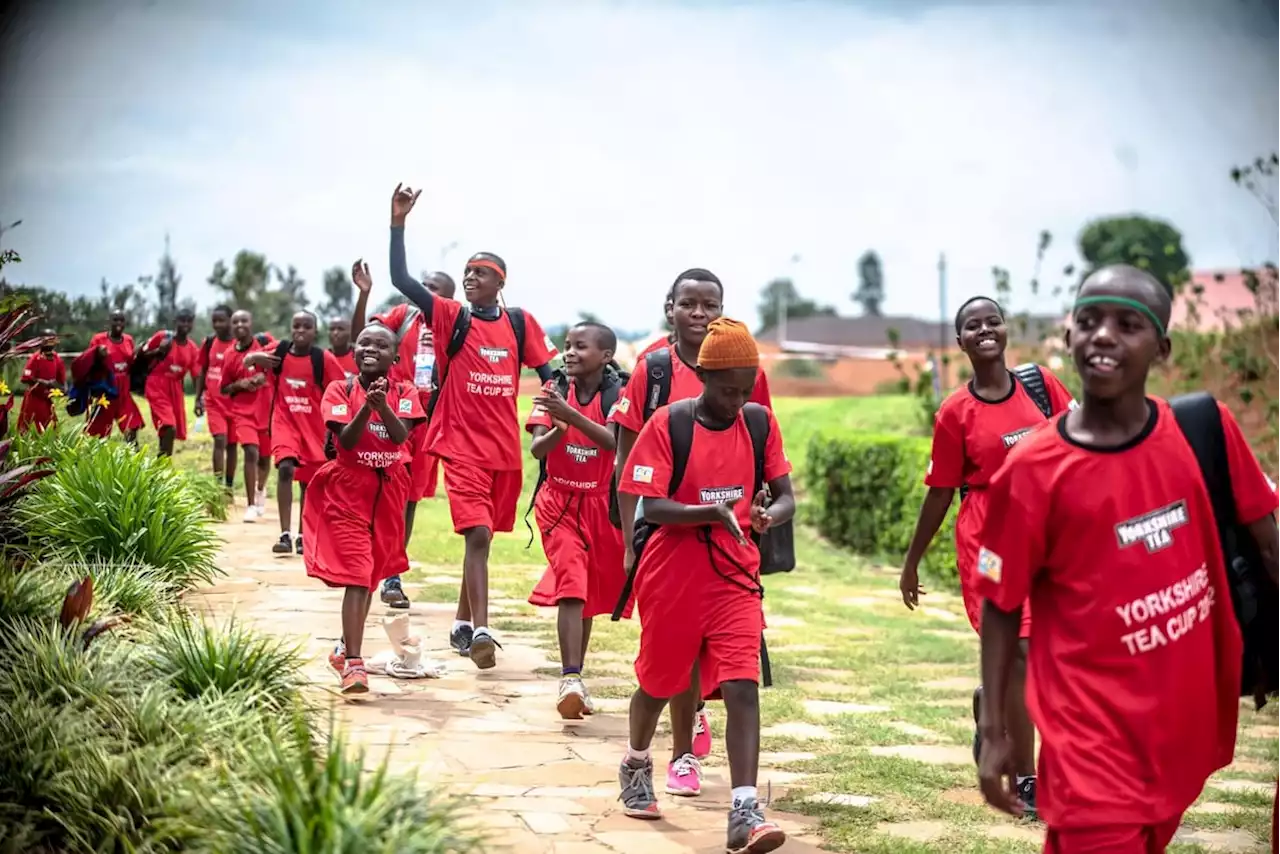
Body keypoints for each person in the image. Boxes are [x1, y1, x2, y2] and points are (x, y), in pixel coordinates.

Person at [975, 265, 1280, 853]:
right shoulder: (1033, 471)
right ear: (1068, 340)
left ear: (1161, 347)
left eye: (1127, 323)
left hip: (1181, 729)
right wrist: (994, 729)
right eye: (1087, 321)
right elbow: (998, 598)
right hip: (1090, 743)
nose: (1103, 335)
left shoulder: (1201, 430)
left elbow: (1268, 545)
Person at [616, 317, 793, 854]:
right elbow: (654, 506)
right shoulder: (670, 424)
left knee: (742, 684)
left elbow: (786, 495)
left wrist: (768, 515)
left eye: (745, 389)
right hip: (672, 572)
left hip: (736, 574)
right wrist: (711, 512)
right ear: (701, 375)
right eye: (726, 389)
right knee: (660, 683)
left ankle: (744, 807)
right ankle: (637, 760)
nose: (736, 401)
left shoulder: (760, 423)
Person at [898, 295, 1076, 816]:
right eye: (972, 326)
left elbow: (1077, 444)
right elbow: (938, 492)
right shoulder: (955, 412)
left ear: (1005, 329)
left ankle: (989, 708)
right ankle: (1027, 778)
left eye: (991, 321)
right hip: (989, 542)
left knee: (1047, 657)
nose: (984, 330)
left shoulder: (1042, 387)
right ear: (961, 342)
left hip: (1047, 535)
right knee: (1019, 651)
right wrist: (911, 562)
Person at [386, 182, 557, 669]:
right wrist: (398, 221)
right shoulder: (449, 316)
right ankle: (483, 629)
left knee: (483, 538)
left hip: (504, 451)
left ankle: (461, 623)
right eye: (466, 272)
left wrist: (553, 419)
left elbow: (551, 380)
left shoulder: (520, 324)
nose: (469, 279)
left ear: (500, 282)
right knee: (477, 535)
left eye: (480, 274)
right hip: (460, 446)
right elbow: (401, 278)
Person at [306, 322, 426, 694]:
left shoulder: (406, 390)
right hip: (349, 489)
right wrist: (366, 409)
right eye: (364, 343)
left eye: (381, 345)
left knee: (371, 575)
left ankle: (343, 647)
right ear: (354, 352)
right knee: (358, 573)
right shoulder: (339, 389)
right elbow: (346, 439)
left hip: (390, 489)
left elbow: (401, 435)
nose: (370, 349)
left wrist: (383, 406)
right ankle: (354, 665)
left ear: (395, 356)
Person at [526, 321, 630, 719]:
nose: (569, 353)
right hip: (557, 503)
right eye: (567, 346)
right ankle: (569, 677)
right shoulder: (552, 391)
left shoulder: (619, 394)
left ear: (605, 356)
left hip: (600, 505)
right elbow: (538, 449)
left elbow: (611, 441)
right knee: (571, 581)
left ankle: (578, 679)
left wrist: (570, 417)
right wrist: (559, 430)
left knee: (585, 594)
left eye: (580, 347)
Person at [352, 257, 459, 610]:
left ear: (448, 298)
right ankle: (366, 562)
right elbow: (361, 339)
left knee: (408, 499)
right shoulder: (404, 316)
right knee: (378, 487)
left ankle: (392, 574)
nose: (424, 294)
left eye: (434, 290)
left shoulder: (456, 325)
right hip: (389, 408)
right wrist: (364, 295)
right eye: (423, 287)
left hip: (428, 422)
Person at [245, 311, 345, 555]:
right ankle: (284, 534)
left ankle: (303, 535)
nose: (300, 330)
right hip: (284, 423)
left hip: (313, 428)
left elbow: (342, 389)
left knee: (307, 482)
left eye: (307, 326)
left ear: (315, 331)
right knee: (287, 468)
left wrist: (338, 429)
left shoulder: (323, 359)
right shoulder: (279, 350)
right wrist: (256, 356)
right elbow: (245, 361)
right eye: (296, 325)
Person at [219, 311, 275, 522]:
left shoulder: (265, 342)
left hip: (266, 409)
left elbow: (281, 358)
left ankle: (261, 489)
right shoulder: (229, 354)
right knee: (250, 452)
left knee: (264, 457)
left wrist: (264, 375)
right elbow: (224, 388)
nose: (240, 324)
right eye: (236, 322)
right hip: (242, 413)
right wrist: (240, 384)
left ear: (251, 323)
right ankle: (250, 504)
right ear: (232, 327)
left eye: (244, 320)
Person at [72, 310, 143, 442]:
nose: (119, 323)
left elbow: (131, 362)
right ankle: (93, 458)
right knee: (98, 433)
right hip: (106, 388)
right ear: (109, 322)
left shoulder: (128, 340)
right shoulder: (99, 339)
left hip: (123, 389)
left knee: (132, 424)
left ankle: (132, 456)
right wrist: (99, 354)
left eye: (121, 320)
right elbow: (89, 359)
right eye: (115, 320)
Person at [141, 309, 201, 458]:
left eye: (189, 321)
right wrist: (158, 351)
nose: (185, 324)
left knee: (168, 430)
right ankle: (162, 464)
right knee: (169, 426)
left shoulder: (193, 348)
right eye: (182, 320)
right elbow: (141, 355)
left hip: (175, 388)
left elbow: (196, 375)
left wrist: (199, 399)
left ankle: (161, 468)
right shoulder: (162, 337)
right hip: (157, 384)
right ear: (175, 322)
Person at [195, 305, 240, 496]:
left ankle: (228, 488)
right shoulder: (209, 342)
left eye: (221, 320)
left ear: (231, 320)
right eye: (214, 320)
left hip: (235, 402)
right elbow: (202, 370)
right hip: (214, 402)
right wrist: (198, 399)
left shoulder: (239, 344)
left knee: (232, 445)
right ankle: (217, 486)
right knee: (219, 440)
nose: (217, 324)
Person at [17, 331, 65, 433]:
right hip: (33, 399)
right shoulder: (35, 358)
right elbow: (26, 378)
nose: (50, 342)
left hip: (47, 400)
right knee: (28, 428)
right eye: (47, 340)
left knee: (49, 429)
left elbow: (61, 383)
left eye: (52, 339)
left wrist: (58, 387)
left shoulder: (57, 359)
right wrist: (45, 382)